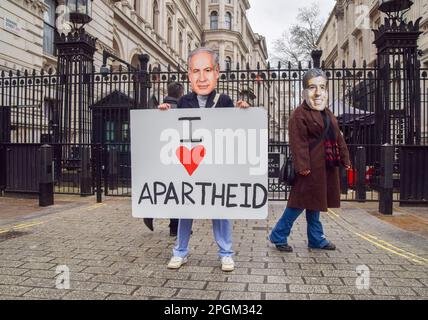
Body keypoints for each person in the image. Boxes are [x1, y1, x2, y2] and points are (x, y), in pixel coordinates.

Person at [158, 47, 249, 272]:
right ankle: (180, 251)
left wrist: (243, 112)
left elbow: (236, 132)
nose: (201, 77)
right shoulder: (184, 101)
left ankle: (226, 253)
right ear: (189, 75)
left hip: (216, 166)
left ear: (216, 73)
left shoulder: (225, 100)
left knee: (221, 209)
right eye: (195, 71)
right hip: (191, 167)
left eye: (207, 70)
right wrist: (164, 112)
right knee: (184, 209)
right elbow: (174, 132)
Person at [269, 68, 351, 252]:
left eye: (322, 86)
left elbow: (338, 137)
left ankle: (315, 238)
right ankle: (278, 234)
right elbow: (298, 142)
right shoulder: (300, 113)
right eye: (312, 86)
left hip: (326, 166)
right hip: (309, 167)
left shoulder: (327, 112)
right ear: (304, 91)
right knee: (298, 203)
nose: (318, 91)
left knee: (316, 202)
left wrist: (345, 158)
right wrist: (303, 165)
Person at [144, 82, 185, 236]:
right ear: (181, 93)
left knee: (165, 189)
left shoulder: (159, 108)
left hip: (161, 156)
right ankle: (174, 228)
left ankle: (149, 211)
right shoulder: (182, 109)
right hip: (178, 156)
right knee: (177, 193)